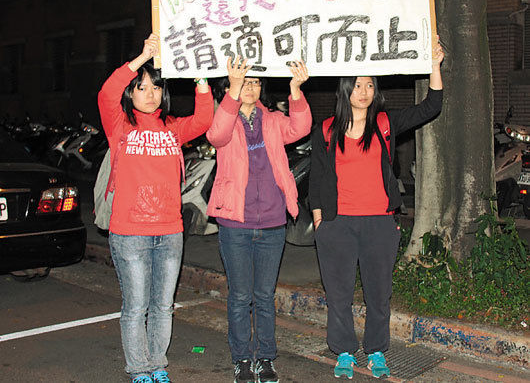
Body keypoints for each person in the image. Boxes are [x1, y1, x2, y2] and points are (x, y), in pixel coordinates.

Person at [309, 42, 444, 379]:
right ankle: (342, 351)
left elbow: (431, 106)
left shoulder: (385, 123)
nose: (364, 91)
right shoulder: (326, 130)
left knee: (378, 294)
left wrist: (435, 65)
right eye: (357, 84)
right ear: (345, 89)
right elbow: (318, 179)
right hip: (338, 224)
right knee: (338, 294)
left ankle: (376, 351)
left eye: (370, 85)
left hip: (379, 224)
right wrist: (320, 221)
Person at [98, 33, 214, 383]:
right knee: (136, 307)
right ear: (130, 94)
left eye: (155, 88)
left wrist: (200, 75)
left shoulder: (173, 129)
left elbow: (204, 118)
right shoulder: (120, 126)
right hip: (129, 232)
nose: (150, 94)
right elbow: (106, 93)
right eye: (141, 88)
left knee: (163, 306)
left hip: (169, 231)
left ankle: (157, 364)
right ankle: (139, 369)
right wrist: (142, 57)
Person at [206, 56, 312, 383]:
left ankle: (265, 358)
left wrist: (296, 91)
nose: (250, 88)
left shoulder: (273, 120)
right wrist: (232, 92)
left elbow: (301, 127)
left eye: (254, 82)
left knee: (265, 296)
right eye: (243, 82)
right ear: (230, 87)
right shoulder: (224, 117)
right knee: (240, 296)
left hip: (271, 223)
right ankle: (241, 359)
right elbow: (216, 136)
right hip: (235, 224)